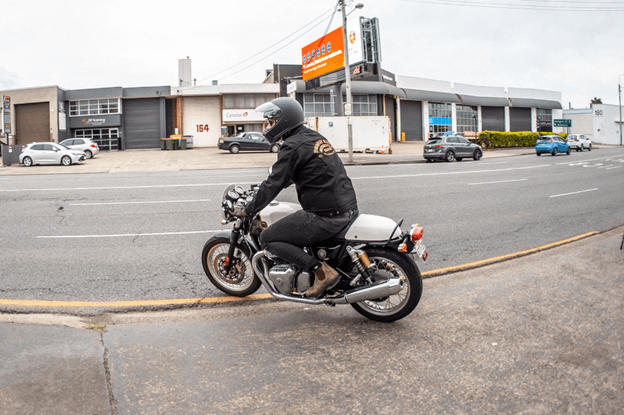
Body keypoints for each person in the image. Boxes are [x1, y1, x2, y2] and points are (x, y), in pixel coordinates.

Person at [230, 97, 358, 298]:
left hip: (325, 216)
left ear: (284, 121)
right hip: (347, 208)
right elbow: (303, 171)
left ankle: (321, 272)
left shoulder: (291, 146)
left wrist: (249, 208)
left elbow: (274, 183)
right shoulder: (314, 137)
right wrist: (268, 186)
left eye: (271, 122)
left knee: (268, 238)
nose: (268, 126)